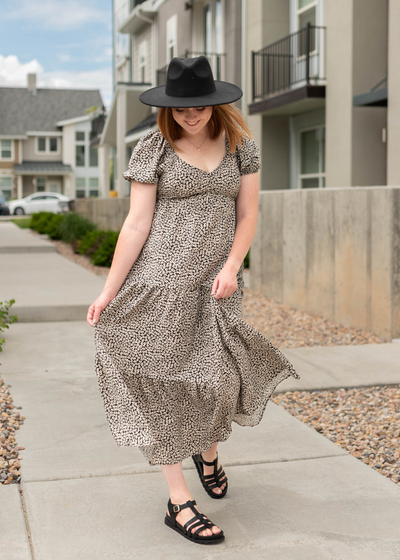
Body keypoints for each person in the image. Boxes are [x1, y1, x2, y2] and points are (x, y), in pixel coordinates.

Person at [87, 56, 299, 545]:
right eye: (180, 108)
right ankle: (179, 501)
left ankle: (207, 450)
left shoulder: (241, 147)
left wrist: (231, 267)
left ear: (215, 101)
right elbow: (137, 224)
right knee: (162, 388)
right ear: (168, 107)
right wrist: (108, 290)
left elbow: (248, 215)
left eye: (199, 106)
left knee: (218, 381)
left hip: (216, 284)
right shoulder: (153, 147)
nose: (190, 115)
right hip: (158, 283)